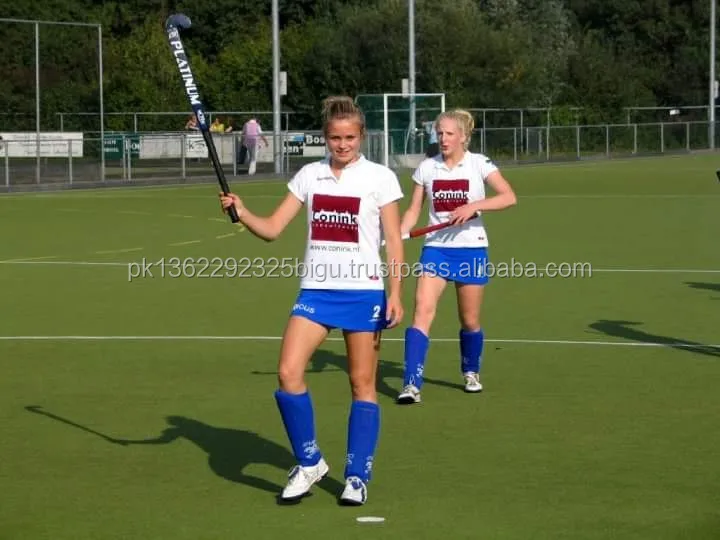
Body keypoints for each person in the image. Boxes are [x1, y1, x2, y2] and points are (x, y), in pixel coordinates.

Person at [220, 96, 405, 505]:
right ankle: (310, 462)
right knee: (288, 373)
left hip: (364, 292)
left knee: (362, 384)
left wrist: (395, 293)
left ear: (362, 137)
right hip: (316, 291)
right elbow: (272, 229)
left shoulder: (380, 178)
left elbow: (394, 240)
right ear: (325, 137)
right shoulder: (309, 175)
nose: (343, 145)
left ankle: (356, 476)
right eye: (336, 138)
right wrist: (243, 211)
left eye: (350, 138)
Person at [396, 109, 517, 405]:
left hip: (471, 249)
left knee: (470, 320)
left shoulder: (479, 164)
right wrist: (398, 233)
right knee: (422, 312)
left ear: (463, 137)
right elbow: (413, 209)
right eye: (440, 133)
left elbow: (508, 196)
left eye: (449, 133)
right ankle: (411, 384)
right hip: (436, 249)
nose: (443, 138)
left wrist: (474, 206)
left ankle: (470, 371)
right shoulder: (427, 168)